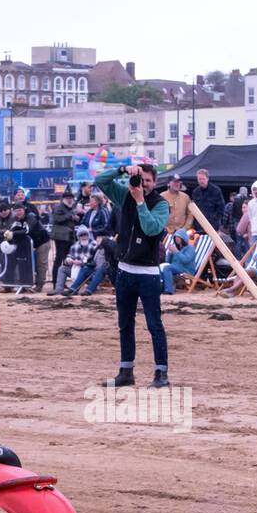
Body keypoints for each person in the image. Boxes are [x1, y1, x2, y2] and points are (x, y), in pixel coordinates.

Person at [95, 162, 171, 388]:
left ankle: (161, 374)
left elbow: (151, 229)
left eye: (147, 181)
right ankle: (126, 371)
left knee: (154, 324)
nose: (143, 184)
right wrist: (122, 169)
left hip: (147, 273)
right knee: (125, 323)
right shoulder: (125, 195)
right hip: (125, 271)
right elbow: (101, 181)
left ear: (155, 183)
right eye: (140, 179)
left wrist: (140, 201)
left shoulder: (160, 204)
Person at [53, 224, 96, 293]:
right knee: (62, 269)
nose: (83, 236)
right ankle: (59, 289)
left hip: (88, 271)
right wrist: (69, 260)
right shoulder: (74, 246)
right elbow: (69, 257)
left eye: (85, 234)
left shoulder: (94, 244)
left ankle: (76, 289)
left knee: (84, 270)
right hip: (76, 269)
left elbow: (95, 262)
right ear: (78, 237)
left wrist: (82, 263)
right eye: (81, 235)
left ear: (88, 235)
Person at [49, 188, 79, 283]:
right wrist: (70, 216)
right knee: (58, 260)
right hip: (61, 238)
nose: (70, 199)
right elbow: (57, 219)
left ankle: (61, 282)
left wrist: (75, 218)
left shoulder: (71, 208)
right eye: (68, 198)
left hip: (69, 237)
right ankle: (55, 282)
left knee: (66, 260)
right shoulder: (59, 207)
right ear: (64, 199)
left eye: (71, 198)